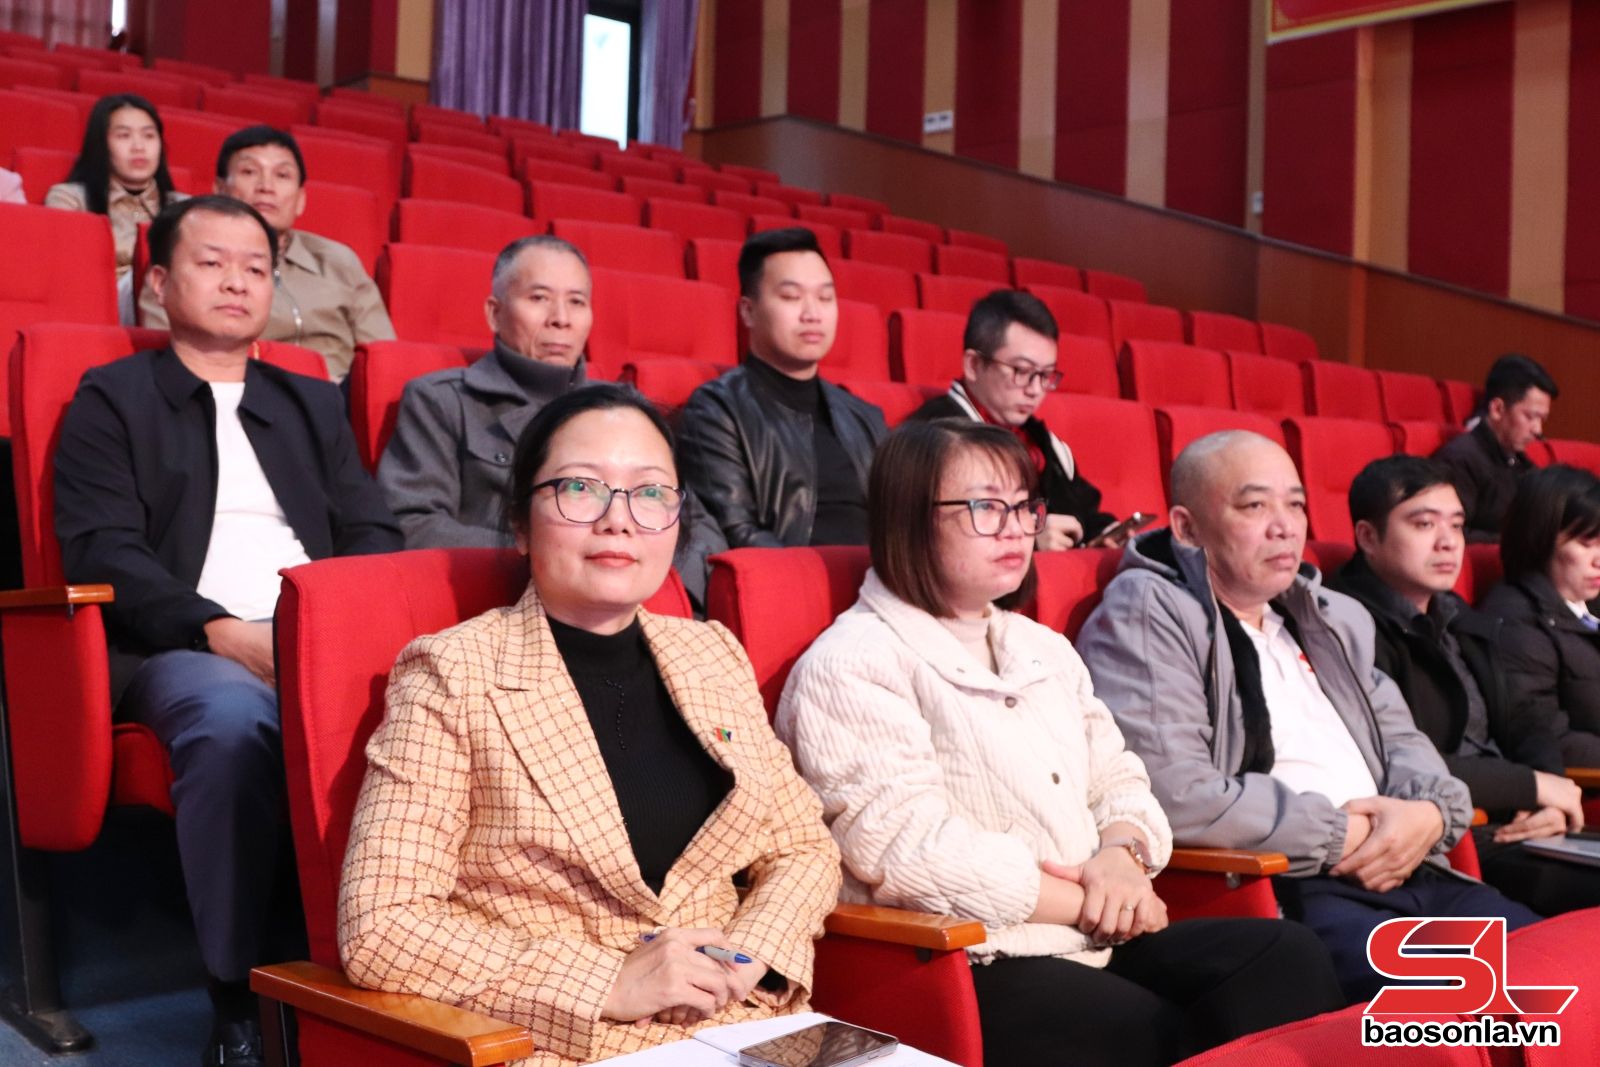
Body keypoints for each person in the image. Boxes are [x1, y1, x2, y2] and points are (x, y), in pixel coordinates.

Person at [774, 420, 1343, 1066]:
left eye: (1024, 508)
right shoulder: (852, 663)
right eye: (986, 508)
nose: (1016, 529)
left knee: (1287, 956)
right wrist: (1094, 901)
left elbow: (1119, 778)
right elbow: (906, 851)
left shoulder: (1041, 646)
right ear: (909, 517)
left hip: (1099, 933)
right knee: (1154, 1029)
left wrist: (1124, 855)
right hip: (970, 954)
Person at [339, 384, 842, 1066]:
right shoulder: (453, 673)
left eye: (650, 492)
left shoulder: (711, 654)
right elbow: (382, 925)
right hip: (576, 1045)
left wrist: (748, 953)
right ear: (520, 523)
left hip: (748, 1030)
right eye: (580, 487)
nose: (618, 520)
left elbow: (801, 846)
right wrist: (608, 980)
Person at [54, 196, 402, 1066]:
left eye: (255, 267)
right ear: (159, 283)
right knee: (232, 723)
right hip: (184, 644)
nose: (237, 281)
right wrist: (220, 629)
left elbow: (371, 531)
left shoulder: (310, 401)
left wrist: (333, 628)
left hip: (315, 631)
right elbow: (106, 549)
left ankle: (399, 970)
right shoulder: (112, 398)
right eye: (211, 263)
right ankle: (238, 996)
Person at [1076, 430, 1540, 1002]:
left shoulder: (1328, 616)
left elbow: (1403, 740)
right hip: (1293, 887)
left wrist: (1430, 812)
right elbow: (1175, 792)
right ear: (1187, 528)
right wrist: (1348, 834)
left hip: (1418, 868)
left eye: (1296, 505)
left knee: (1562, 974)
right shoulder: (1149, 611)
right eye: (1255, 506)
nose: (1285, 526)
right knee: (1470, 1005)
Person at [377, 235, 725, 608]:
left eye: (577, 302)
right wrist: (557, 556)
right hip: (502, 605)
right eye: (539, 298)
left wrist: (663, 584)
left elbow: (696, 522)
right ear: (494, 313)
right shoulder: (442, 400)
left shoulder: (625, 409)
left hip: (640, 603)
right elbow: (415, 523)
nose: (561, 319)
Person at [1330, 455, 1600, 916]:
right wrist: (1532, 787)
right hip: (1452, 836)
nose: (1448, 542)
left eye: (1456, 526)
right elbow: (1398, 759)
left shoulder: (1456, 614)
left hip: (1516, 821)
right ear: (1368, 536)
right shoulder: (1346, 626)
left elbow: (1525, 719)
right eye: (1424, 524)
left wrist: (1553, 793)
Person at [679, 228, 887, 549]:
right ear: (748, 311)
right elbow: (736, 533)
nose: (812, 314)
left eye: (825, 298)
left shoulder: (864, 417)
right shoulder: (716, 411)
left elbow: (901, 524)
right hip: (788, 577)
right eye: (791, 297)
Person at [140, 125, 395, 380]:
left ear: (301, 199)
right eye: (249, 172)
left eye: (282, 175)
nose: (266, 186)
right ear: (219, 189)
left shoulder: (339, 260)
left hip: (339, 394)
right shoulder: (185, 251)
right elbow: (174, 350)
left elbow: (382, 356)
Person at [908, 289, 1123, 549]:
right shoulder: (928, 438)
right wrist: (1028, 537)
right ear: (973, 365)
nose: (1035, 390)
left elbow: (1083, 513)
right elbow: (923, 537)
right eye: (1021, 371)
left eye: (1045, 375)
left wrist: (1108, 532)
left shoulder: (1044, 444)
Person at [1480, 465, 1600, 767]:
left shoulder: (1587, 601)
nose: (1599, 559)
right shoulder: (1517, 621)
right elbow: (1548, 740)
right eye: (1586, 544)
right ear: (1540, 539)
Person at [45, 93, 187, 322]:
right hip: (102, 302)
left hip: (173, 300)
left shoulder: (183, 206)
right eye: (124, 136)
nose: (139, 147)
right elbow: (69, 271)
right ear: (101, 145)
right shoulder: (70, 199)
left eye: (149, 136)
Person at [1433, 354, 1557, 542]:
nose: (1538, 430)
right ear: (1498, 409)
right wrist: (1516, 543)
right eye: (1531, 417)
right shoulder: (1461, 460)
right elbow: (1451, 532)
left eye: (1542, 419)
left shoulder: (1521, 463)